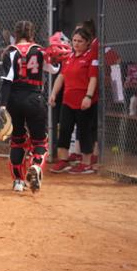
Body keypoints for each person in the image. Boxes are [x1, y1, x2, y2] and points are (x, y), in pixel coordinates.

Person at [0, 21, 61, 192]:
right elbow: (54, 70)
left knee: (17, 141)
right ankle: (36, 167)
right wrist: (56, 58)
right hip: (34, 98)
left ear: (16, 33)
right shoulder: (41, 51)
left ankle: (18, 182)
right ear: (32, 33)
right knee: (40, 141)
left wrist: (3, 106)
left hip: (14, 100)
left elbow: (7, 81)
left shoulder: (10, 52)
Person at [48, 26, 98, 174]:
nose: (76, 44)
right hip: (68, 101)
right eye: (74, 40)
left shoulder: (91, 57)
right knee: (64, 130)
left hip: (84, 102)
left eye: (80, 41)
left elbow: (93, 79)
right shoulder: (69, 57)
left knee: (84, 132)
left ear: (88, 42)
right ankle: (64, 160)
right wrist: (53, 94)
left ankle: (86, 163)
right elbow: (61, 77)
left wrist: (88, 97)